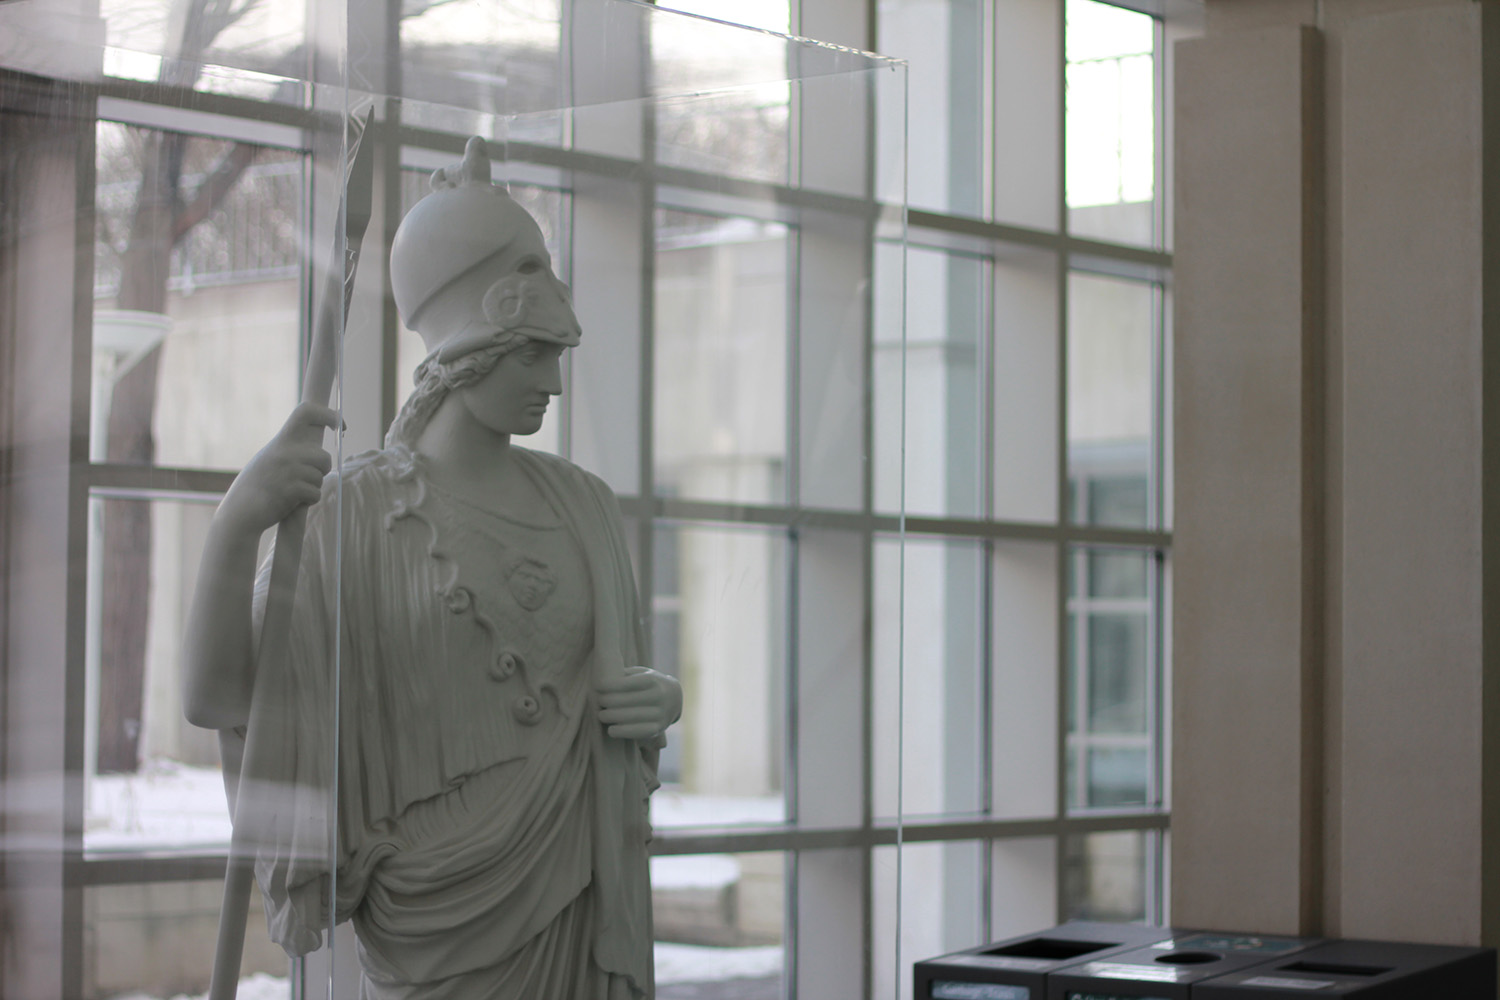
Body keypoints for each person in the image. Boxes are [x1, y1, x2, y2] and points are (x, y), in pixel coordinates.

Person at [181, 136, 680, 1000]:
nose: (553, 383)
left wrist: (654, 702)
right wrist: (235, 526)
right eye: (532, 352)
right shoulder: (355, 516)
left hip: (579, 900)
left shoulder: (585, 505)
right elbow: (219, 700)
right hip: (431, 927)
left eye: (557, 355)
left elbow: (605, 697)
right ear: (468, 351)